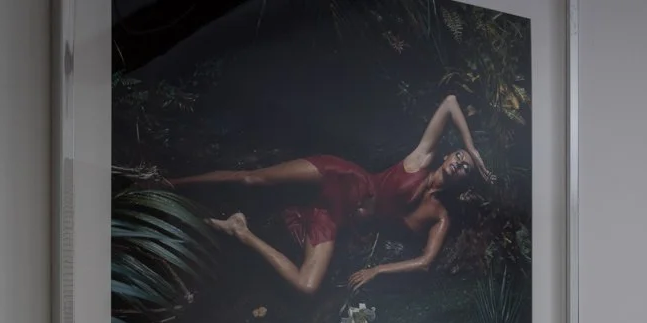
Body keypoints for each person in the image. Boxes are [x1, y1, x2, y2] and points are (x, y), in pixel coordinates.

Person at [168, 94, 495, 295]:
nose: (460, 163)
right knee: (252, 180)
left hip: (338, 217)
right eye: (459, 157)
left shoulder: (440, 217)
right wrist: (473, 149)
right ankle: (171, 182)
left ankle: (239, 230)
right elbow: (450, 102)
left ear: (467, 183)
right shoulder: (421, 159)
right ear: (450, 154)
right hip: (344, 179)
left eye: (467, 168)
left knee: (307, 286)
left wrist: (378, 270)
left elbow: (425, 263)